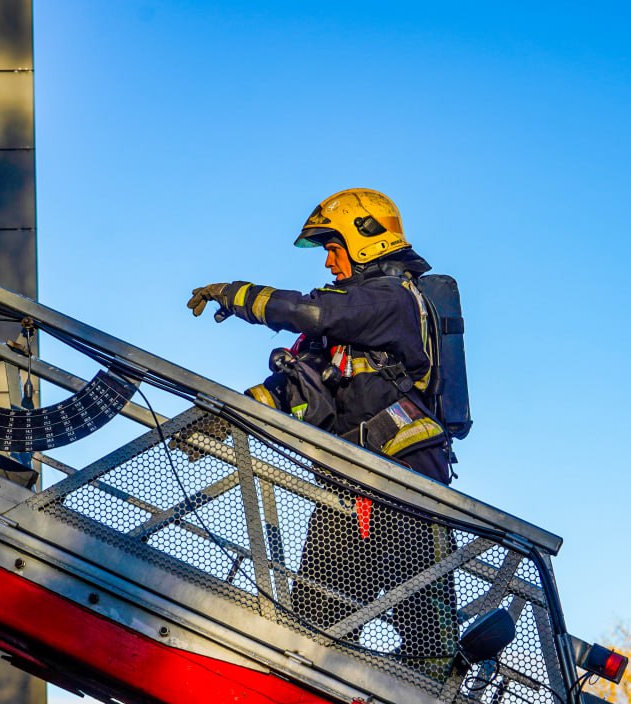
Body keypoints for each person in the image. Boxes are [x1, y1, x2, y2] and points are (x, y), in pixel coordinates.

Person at [187, 188, 458, 678]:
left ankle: (438, 688)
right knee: (316, 624)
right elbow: (293, 388)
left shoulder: (390, 300)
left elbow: (313, 311)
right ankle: (319, 679)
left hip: (407, 483)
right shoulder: (344, 327)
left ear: (365, 241)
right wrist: (222, 418)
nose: (330, 264)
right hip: (349, 486)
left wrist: (236, 293)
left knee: (424, 628)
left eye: (334, 249)